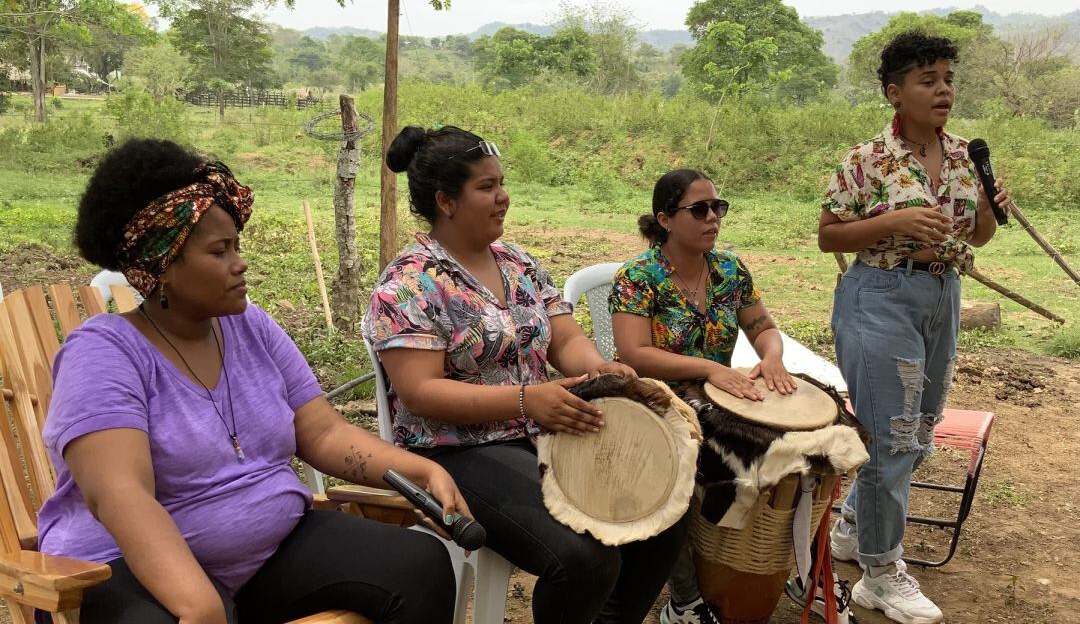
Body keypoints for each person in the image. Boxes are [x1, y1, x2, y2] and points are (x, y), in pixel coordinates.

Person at [37, 138, 463, 624]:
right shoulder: (104, 352)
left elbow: (322, 432)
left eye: (237, 246)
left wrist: (422, 471)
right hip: (128, 569)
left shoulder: (248, 325)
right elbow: (120, 494)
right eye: (220, 251)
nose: (240, 263)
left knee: (418, 566)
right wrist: (201, 607)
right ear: (161, 266)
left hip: (264, 556)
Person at [362, 125, 690, 624]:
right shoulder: (409, 282)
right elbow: (420, 392)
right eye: (487, 187)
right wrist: (525, 401)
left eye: (501, 183)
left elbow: (565, 339)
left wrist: (599, 366)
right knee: (583, 557)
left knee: (663, 504)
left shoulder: (518, 263)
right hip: (457, 451)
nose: (503, 197)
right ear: (446, 202)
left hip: (541, 428)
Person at [818, 32, 1013, 624]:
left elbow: (976, 238)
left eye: (948, 79)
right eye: (928, 81)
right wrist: (894, 219)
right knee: (890, 438)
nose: (943, 90)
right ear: (894, 93)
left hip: (941, 296)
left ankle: (853, 528)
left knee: (921, 431)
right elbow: (829, 235)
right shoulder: (866, 160)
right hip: (879, 294)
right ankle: (879, 573)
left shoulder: (961, 155)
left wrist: (985, 210)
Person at [607, 169, 798, 624]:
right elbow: (635, 354)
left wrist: (772, 357)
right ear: (665, 220)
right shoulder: (639, 276)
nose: (713, 217)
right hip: (654, 399)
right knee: (693, 456)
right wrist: (711, 368)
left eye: (718, 207)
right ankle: (685, 598)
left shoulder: (730, 270)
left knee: (803, 445)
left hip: (716, 393)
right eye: (699, 209)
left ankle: (770, 563)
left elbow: (764, 328)